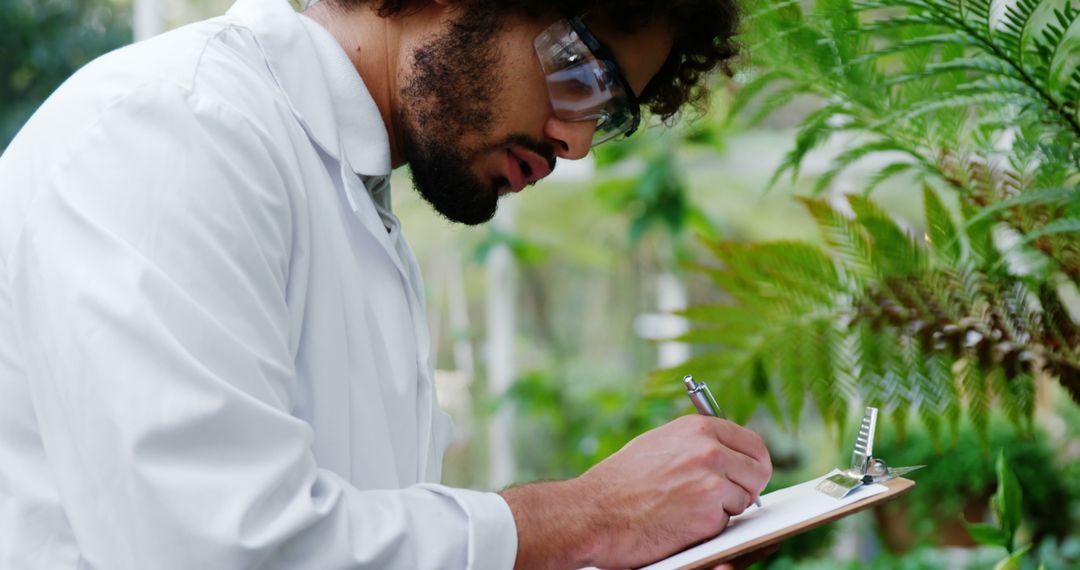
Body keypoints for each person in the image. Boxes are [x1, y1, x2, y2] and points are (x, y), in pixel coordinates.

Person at [0, 0, 772, 568]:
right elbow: (214, 550)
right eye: (581, 71)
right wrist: (592, 517)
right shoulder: (173, 127)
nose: (575, 142)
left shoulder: (357, 206)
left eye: (611, 112)